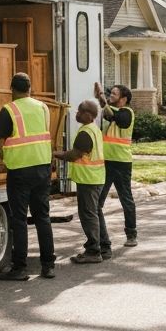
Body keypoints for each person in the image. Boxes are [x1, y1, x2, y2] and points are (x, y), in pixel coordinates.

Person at [0, 71, 56, 280]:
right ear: (30, 88)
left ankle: (20, 268)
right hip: (43, 168)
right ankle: (48, 265)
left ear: (12, 89)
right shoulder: (43, 108)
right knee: (43, 217)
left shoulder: (9, 110)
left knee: (19, 219)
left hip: (20, 172)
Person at [54, 98, 106, 264]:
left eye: (79, 111)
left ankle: (93, 251)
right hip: (95, 178)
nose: (76, 113)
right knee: (95, 213)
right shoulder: (93, 129)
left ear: (88, 115)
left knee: (88, 215)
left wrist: (55, 154)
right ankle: (104, 247)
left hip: (89, 180)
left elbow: (74, 155)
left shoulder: (86, 133)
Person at [95, 81, 138, 248]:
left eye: (114, 94)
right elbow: (106, 113)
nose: (110, 96)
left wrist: (101, 98)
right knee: (98, 202)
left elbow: (119, 120)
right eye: (110, 93)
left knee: (126, 199)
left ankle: (131, 233)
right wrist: (100, 99)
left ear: (123, 99)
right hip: (106, 162)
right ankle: (100, 238)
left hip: (121, 163)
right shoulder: (108, 112)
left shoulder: (127, 113)